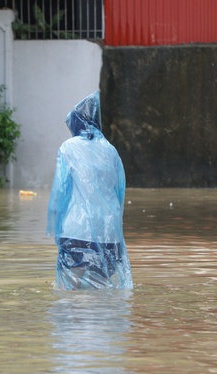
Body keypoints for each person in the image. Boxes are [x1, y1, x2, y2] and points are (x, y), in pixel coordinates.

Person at [46, 91, 133, 290]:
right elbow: (119, 193)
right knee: (102, 289)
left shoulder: (68, 148)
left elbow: (60, 192)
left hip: (76, 231)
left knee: (68, 292)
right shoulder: (111, 150)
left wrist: (55, 227)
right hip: (109, 235)